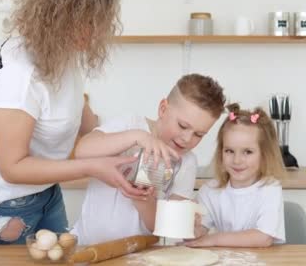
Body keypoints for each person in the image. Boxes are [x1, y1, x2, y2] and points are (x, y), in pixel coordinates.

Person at [0, 0, 148, 245]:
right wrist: (92, 167)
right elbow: (12, 167)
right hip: (1, 207)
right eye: (88, 21)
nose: (95, 31)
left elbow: (85, 122)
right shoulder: (18, 74)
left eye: (99, 21)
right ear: (58, 13)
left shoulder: (61, 52)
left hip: (46, 194)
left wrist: (138, 141)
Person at [71, 74, 226, 245]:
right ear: (163, 109)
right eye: (182, 126)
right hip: (85, 246)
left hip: (136, 256)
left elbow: (158, 228)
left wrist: (143, 199)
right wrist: (137, 137)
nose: (187, 139)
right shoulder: (130, 124)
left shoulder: (186, 163)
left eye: (199, 134)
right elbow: (82, 151)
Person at [185, 104, 287, 248]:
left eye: (247, 152)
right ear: (221, 152)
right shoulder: (210, 191)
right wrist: (191, 228)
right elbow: (198, 231)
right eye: (229, 151)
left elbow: (263, 238)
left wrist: (214, 239)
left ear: (264, 154)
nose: (237, 160)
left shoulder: (270, 189)